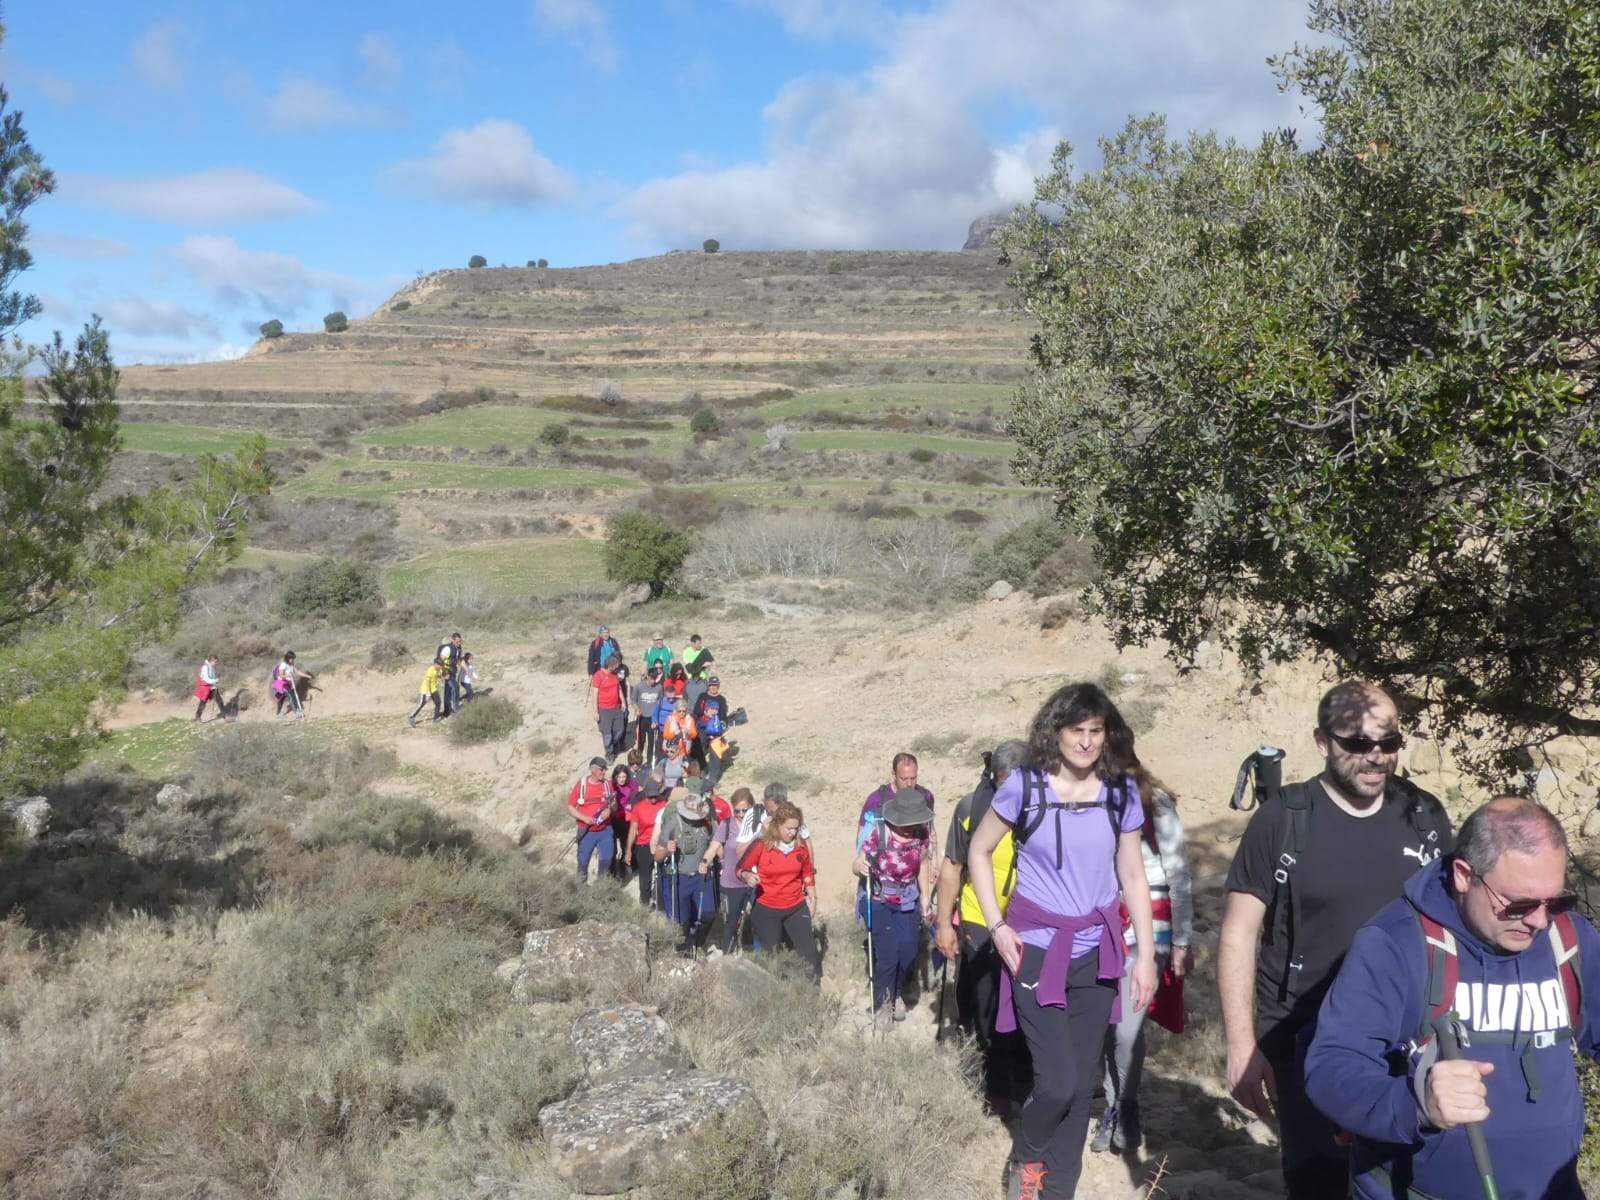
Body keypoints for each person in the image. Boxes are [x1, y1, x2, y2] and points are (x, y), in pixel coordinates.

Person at [1219, 680, 1454, 1200]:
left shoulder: (1425, 817)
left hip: (1407, 1039)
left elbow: (1452, 924)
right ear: (1323, 742)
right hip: (1306, 1039)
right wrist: (1242, 1046)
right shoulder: (1285, 817)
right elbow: (1238, 933)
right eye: (1357, 742)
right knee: (1321, 1180)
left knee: (1406, 1179)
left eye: (1388, 743)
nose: (1375, 757)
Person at [1305, 797, 1598, 1200]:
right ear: (1464, 875)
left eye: (1555, 901)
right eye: (1520, 904)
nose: (1538, 921)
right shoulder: (1396, 944)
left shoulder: (1568, 939)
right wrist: (1416, 1102)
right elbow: (1331, 1066)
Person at [966, 682, 1157, 1200]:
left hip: (1097, 953)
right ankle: (1027, 1162)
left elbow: (1133, 876)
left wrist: (1147, 959)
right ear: (1056, 731)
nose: (1088, 742)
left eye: (1097, 732)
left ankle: (1058, 1192)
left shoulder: (1120, 793)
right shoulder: (1025, 788)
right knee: (1056, 1083)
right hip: (1035, 949)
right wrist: (998, 926)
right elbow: (978, 853)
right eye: (1078, 731)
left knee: (1079, 1087)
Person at [1092, 737, 1193, 1155]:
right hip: (1098, 929)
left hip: (1146, 932)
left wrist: (1183, 939)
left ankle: (1124, 1108)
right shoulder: (1092, 800)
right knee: (1102, 1028)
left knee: (1127, 1030)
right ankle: (1113, 1105)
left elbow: (1179, 873)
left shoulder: (1158, 803)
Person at [935, 739, 1034, 1114]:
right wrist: (945, 924)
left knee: (1028, 1005)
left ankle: (1024, 1081)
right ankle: (995, 1086)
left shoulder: (1041, 805)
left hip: (1028, 921)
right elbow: (952, 868)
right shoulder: (971, 808)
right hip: (979, 918)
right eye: (1000, 781)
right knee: (986, 1005)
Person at [855, 787, 937, 1027]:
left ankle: (897, 992)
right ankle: (884, 1004)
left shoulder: (920, 834)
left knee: (909, 952)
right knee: (888, 955)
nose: (911, 826)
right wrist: (860, 867)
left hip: (908, 899)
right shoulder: (879, 833)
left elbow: (921, 863)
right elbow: (856, 863)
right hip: (879, 900)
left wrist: (925, 899)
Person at [737, 799, 820, 981]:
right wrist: (747, 876)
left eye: (796, 828)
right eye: (789, 828)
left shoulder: (800, 848)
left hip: (796, 906)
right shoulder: (761, 845)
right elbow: (740, 868)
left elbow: (807, 873)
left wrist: (813, 900)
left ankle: (811, 993)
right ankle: (775, 994)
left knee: (809, 953)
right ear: (777, 825)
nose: (793, 832)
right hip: (767, 908)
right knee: (772, 957)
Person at [652, 779, 720, 953]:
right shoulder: (673, 823)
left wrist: (714, 856)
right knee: (679, 921)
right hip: (678, 877)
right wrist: (667, 850)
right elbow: (658, 856)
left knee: (708, 914)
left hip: (701, 876)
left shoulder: (708, 822)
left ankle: (697, 942)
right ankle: (683, 951)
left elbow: (717, 845)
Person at [717, 787, 758, 954]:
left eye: (745, 810)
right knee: (731, 920)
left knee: (757, 919)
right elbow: (717, 845)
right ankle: (727, 952)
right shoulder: (726, 825)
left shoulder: (759, 826)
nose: (741, 814)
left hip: (755, 880)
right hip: (731, 882)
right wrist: (722, 860)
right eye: (737, 810)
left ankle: (753, 951)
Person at [624, 769, 670, 908]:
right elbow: (633, 829)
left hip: (661, 845)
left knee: (663, 876)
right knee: (645, 879)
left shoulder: (665, 805)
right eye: (650, 796)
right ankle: (644, 903)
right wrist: (628, 850)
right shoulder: (638, 808)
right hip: (643, 845)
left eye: (655, 796)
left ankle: (662, 905)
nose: (653, 799)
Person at [567, 757, 615, 884]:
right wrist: (584, 818)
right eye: (601, 769)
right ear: (592, 769)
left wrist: (610, 810)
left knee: (606, 861)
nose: (604, 772)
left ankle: (600, 891)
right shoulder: (581, 785)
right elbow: (570, 806)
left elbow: (614, 804)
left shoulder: (608, 785)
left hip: (605, 830)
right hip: (586, 831)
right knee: (583, 863)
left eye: (605, 769)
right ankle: (581, 891)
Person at [589, 653, 627, 759]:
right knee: (607, 734)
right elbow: (594, 695)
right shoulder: (598, 676)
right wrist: (595, 711)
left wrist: (623, 701)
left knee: (619, 730)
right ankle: (609, 753)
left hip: (616, 707)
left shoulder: (615, 674)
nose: (617, 667)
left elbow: (618, 688)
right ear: (609, 665)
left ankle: (613, 745)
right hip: (604, 709)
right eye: (615, 665)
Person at [694, 676, 730, 785]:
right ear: (708, 686)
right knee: (701, 753)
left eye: (715, 685)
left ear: (718, 686)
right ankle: (700, 775)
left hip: (716, 730)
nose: (713, 687)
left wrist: (718, 720)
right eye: (711, 685)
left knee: (715, 754)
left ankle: (713, 780)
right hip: (702, 728)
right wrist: (706, 713)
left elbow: (723, 715)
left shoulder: (721, 699)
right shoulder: (702, 696)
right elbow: (696, 710)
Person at [608, 762, 639, 881]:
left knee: (627, 844)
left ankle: (630, 867)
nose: (621, 780)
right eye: (619, 777)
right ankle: (614, 871)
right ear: (615, 776)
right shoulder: (611, 785)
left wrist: (631, 805)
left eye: (623, 777)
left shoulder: (632, 785)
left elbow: (636, 797)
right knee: (612, 847)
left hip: (626, 819)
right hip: (613, 819)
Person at [633, 663, 665, 763]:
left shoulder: (659, 687)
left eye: (655, 679)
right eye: (651, 678)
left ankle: (649, 760)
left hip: (652, 719)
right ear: (647, 676)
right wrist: (637, 709)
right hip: (642, 717)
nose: (653, 681)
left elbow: (660, 702)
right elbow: (633, 700)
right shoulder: (639, 687)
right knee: (641, 740)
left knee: (651, 741)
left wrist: (656, 719)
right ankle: (638, 759)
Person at [660, 697, 698, 779]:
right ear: (676, 710)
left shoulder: (689, 719)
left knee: (683, 774)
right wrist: (675, 733)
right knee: (671, 773)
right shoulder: (670, 719)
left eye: (684, 711)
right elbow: (665, 735)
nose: (682, 713)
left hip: (684, 752)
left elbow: (694, 734)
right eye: (679, 711)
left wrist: (688, 732)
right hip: (671, 751)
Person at [408, 656, 446, 726]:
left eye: (441, 666)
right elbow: (427, 682)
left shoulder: (439, 669)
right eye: (440, 665)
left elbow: (440, 676)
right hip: (425, 690)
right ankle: (411, 716)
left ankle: (436, 719)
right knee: (421, 704)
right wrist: (428, 693)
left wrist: (442, 682)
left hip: (434, 689)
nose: (441, 667)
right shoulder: (430, 670)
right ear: (435, 664)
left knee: (438, 702)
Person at [273, 651, 312, 719]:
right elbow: (281, 675)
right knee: (292, 696)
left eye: (293, 658)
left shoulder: (291, 665)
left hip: (287, 683)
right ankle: (297, 712)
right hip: (281, 683)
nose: (293, 660)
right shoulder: (283, 664)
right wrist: (288, 675)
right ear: (288, 658)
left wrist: (307, 676)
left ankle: (278, 714)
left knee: (282, 699)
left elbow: (297, 672)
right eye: (292, 658)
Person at [437, 632, 464, 715]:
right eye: (457, 642)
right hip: (447, 671)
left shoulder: (459, 649)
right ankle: (455, 708)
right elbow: (440, 660)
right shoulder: (447, 649)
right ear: (452, 640)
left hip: (453, 671)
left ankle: (446, 710)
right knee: (455, 687)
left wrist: (465, 669)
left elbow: (459, 660)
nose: (458, 643)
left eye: (460, 642)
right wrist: (443, 673)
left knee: (448, 691)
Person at [193, 655, 224, 722]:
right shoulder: (205, 667)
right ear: (211, 661)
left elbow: (213, 677)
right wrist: (216, 680)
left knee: (219, 701)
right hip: (206, 688)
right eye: (215, 662)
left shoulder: (212, 667)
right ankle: (197, 717)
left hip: (212, 687)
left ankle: (225, 716)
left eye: (217, 662)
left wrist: (216, 679)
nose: (216, 663)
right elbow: (206, 679)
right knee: (203, 703)